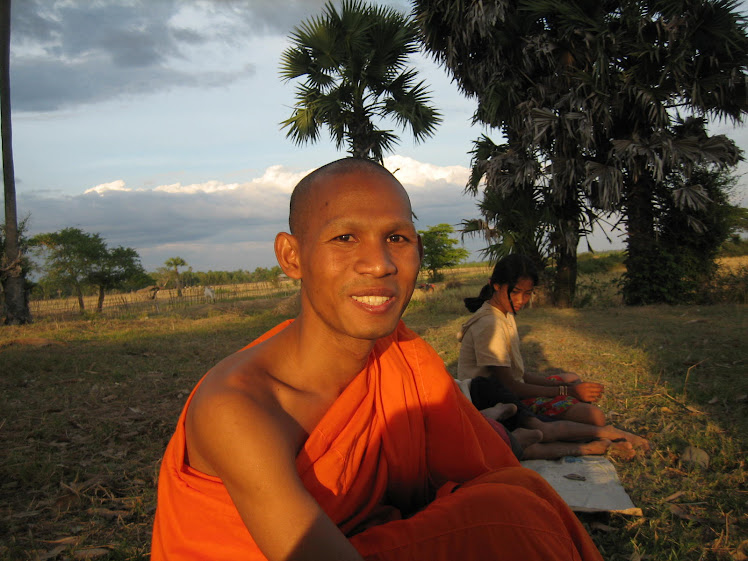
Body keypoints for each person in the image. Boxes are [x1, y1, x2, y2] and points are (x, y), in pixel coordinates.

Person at [151, 158, 603, 561]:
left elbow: (450, 470)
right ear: (292, 256)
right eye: (345, 237)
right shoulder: (237, 408)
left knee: (520, 491)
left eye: (397, 237)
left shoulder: (401, 358)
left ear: (418, 252)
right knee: (511, 517)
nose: (379, 263)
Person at [457, 254, 649, 460]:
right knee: (593, 417)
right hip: (492, 399)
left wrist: (564, 386)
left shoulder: (504, 313)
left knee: (571, 377)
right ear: (495, 285)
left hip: (504, 391)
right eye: (515, 292)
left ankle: (592, 432)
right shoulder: (489, 324)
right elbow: (510, 387)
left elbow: (517, 374)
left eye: (528, 294)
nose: (521, 300)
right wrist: (569, 391)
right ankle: (605, 436)